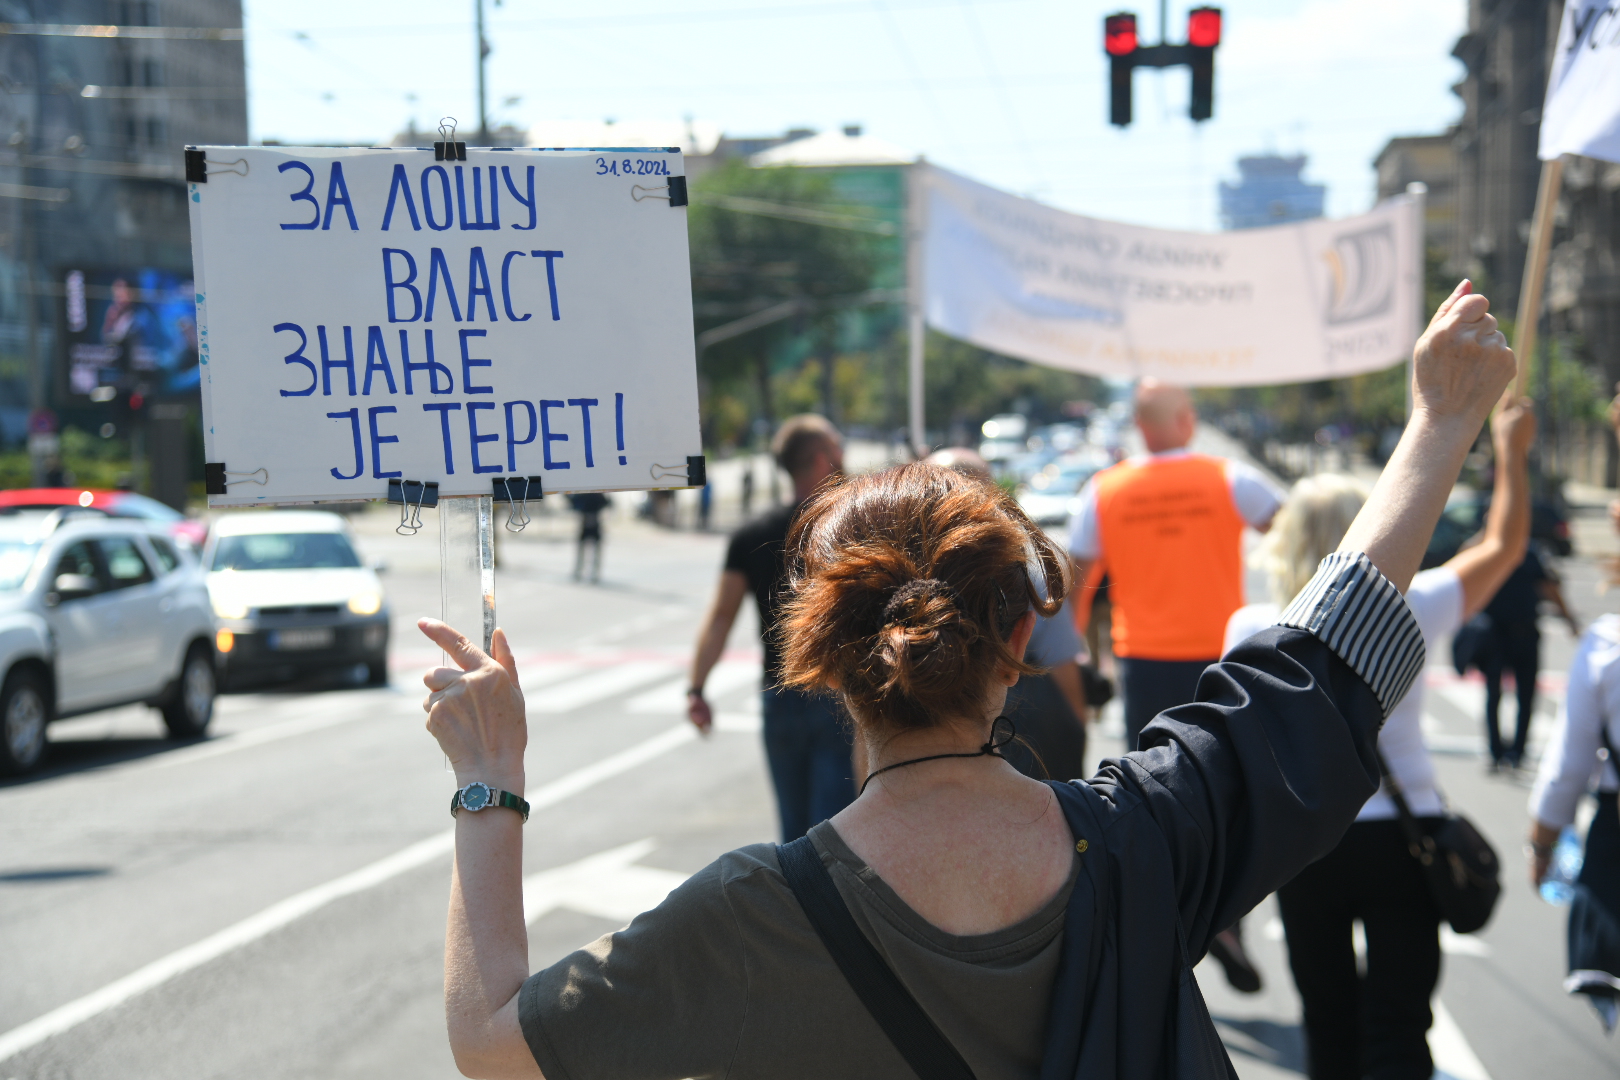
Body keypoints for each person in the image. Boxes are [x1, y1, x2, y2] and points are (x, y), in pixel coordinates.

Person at [416, 279, 1516, 1080]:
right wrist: (1442, 424)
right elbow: (1327, 660)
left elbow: (491, 1041)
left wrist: (489, 778)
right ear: (1017, 646)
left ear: (825, 665)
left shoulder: (752, 917)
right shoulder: (1149, 836)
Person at [1223, 394, 1534, 1080]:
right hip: (1404, 836)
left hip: (1305, 844)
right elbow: (1505, 547)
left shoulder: (1252, 626)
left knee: (1327, 1027)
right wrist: (1509, 452)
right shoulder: (1412, 604)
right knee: (1398, 1029)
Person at [1066, 379, 1286, 752]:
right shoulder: (1230, 478)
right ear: (1187, 420)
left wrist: (1074, 651)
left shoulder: (1102, 490)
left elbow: (1077, 581)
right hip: (1222, 653)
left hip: (1142, 659)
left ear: (1139, 423)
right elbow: (1299, 537)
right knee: (1224, 764)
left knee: (1149, 774)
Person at [686, 414, 853, 842]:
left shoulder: (751, 535)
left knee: (795, 835)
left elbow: (721, 617)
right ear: (821, 460)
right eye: (838, 448)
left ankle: (798, 909)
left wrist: (697, 689)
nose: (844, 456)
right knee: (838, 836)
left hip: (779, 696)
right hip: (840, 694)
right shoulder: (852, 527)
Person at [927, 447, 1090, 781]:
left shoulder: (896, 582)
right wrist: (1076, 731)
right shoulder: (1026, 575)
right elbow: (1063, 667)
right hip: (1022, 763)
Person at [1474, 544, 1579, 770]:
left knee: (1525, 695)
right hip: (1495, 634)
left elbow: (1549, 588)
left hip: (1525, 634)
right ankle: (1496, 750)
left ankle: (1517, 752)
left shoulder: (1530, 553)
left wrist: (1568, 618)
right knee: (1495, 694)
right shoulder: (1484, 549)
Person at [567, 492, 609, 583]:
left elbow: (606, 503)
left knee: (594, 551)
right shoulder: (584, 493)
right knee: (581, 550)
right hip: (586, 523)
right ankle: (579, 571)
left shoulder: (594, 493)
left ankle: (593, 573)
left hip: (594, 523)